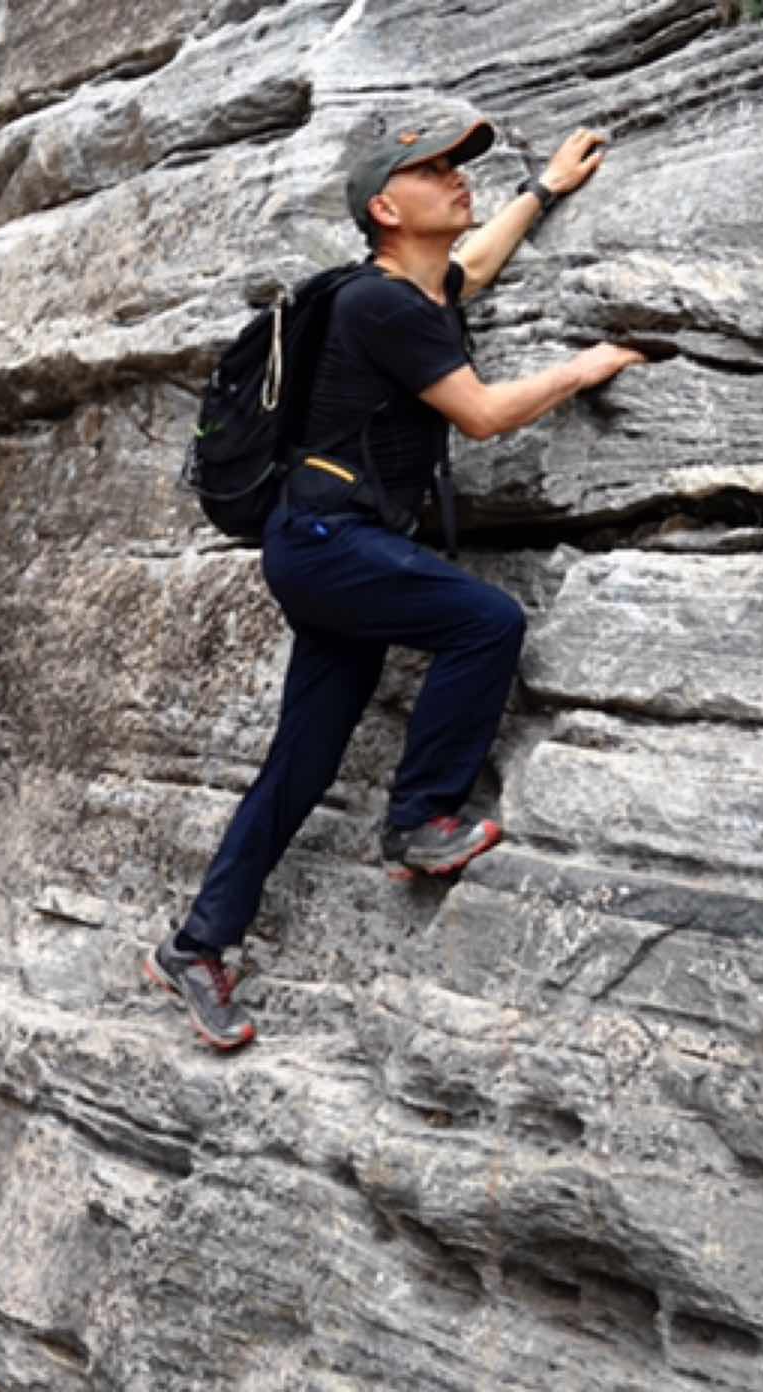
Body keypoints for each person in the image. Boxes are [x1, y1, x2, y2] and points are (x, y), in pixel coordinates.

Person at [146, 110, 646, 1052]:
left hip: (329, 545)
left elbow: (475, 268)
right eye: (434, 170)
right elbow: (483, 415)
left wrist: (543, 191)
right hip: (330, 542)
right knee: (485, 621)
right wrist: (582, 369)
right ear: (385, 208)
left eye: (459, 167)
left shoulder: (414, 292)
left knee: (302, 763)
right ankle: (419, 820)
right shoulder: (379, 306)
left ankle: (196, 945)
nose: (458, 179)